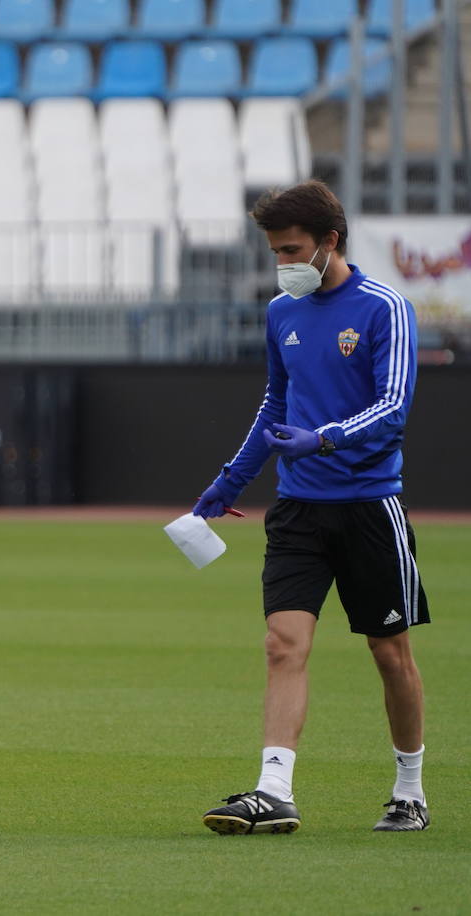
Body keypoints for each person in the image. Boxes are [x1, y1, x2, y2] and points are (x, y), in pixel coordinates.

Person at [192, 180, 429, 835]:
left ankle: (409, 789)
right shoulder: (281, 312)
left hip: (367, 507)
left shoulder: (386, 307)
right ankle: (275, 790)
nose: (283, 264)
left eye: (292, 250)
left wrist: (325, 437)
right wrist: (231, 481)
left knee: (390, 654)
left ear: (330, 241)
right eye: (274, 252)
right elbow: (275, 404)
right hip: (298, 509)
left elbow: (392, 407)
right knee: (281, 646)